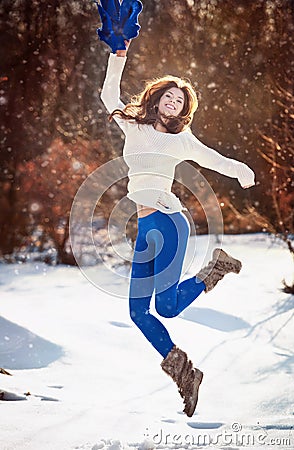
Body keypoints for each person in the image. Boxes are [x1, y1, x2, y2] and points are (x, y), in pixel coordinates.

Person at [100, 40, 255, 417]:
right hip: (145, 228)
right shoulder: (133, 127)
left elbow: (214, 159)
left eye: (181, 101)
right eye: (170, 95)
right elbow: (108, 94)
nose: (175, 102)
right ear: (156, 99)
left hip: (170, 222)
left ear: (185, 111)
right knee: (139, 313)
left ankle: (214, 270)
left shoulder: (181, 140)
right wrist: (118, 55)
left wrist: (242, 171)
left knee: (167, 308)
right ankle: (186, 373)